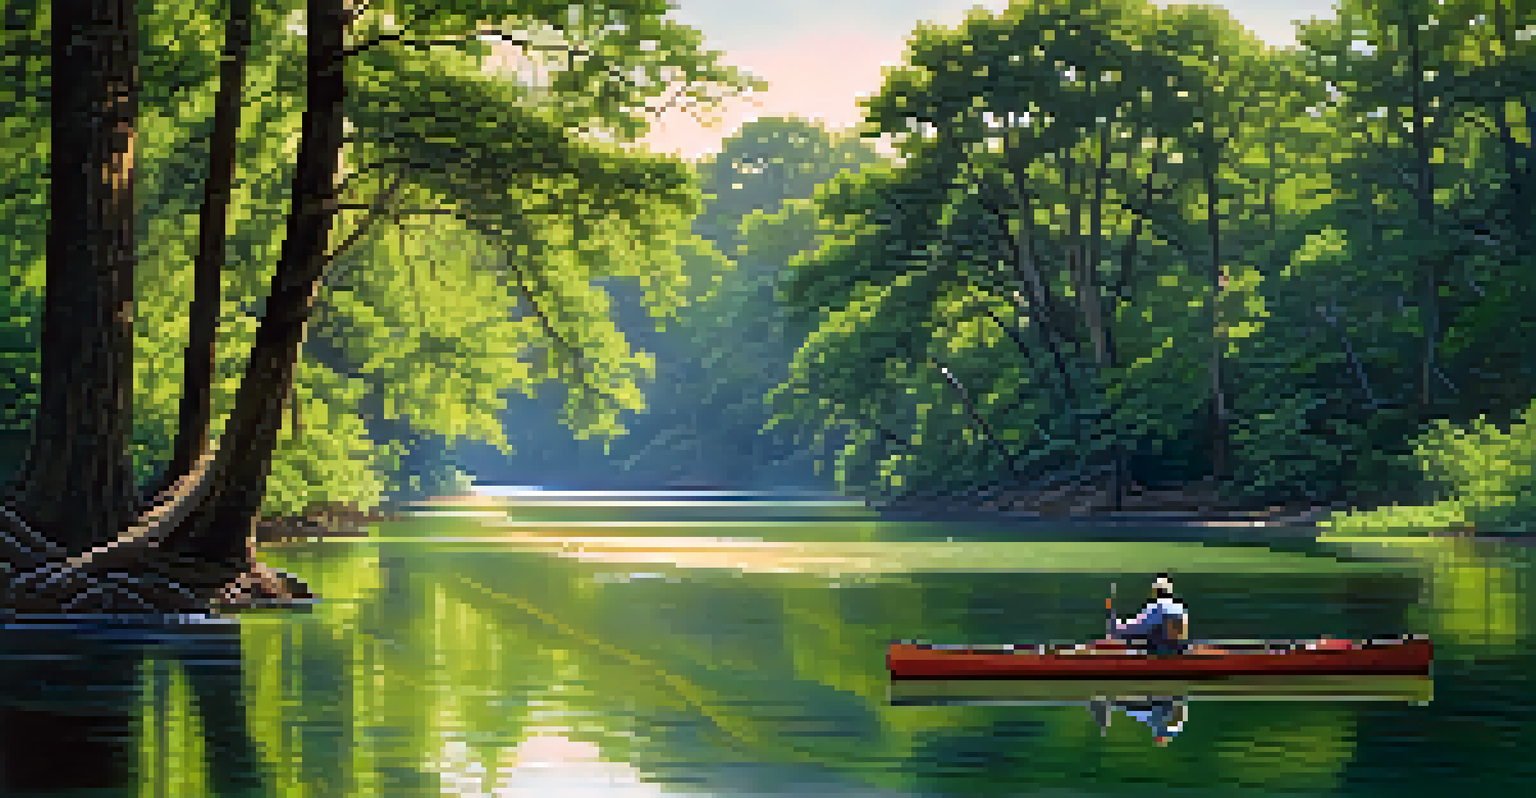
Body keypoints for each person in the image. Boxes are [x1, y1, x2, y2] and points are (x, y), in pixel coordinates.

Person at [1110, 574, 1189, 655]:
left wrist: (1119, 627)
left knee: (1131, 643)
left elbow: (1138, 627)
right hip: (1179, 649)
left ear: (1155, 591)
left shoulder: (1156, 607)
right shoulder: (1180, 607)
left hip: (1159, 650)